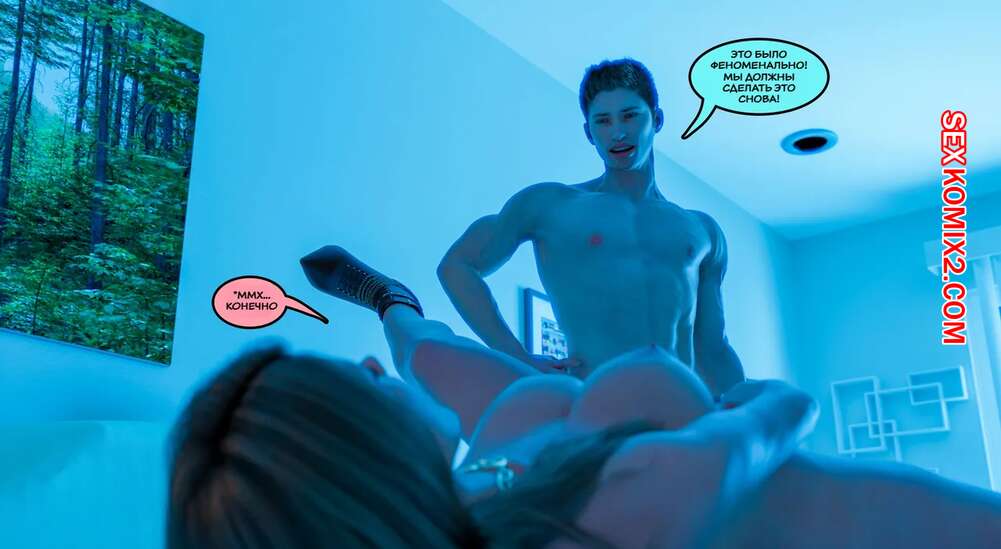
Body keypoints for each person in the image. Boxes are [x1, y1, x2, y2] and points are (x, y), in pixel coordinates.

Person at [290, 244, 1001, 548]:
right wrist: (752, 397)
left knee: (427, 353)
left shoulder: (474, 485)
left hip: (551, 448)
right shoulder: (603, 511)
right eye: (350, 389)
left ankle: (390, 302)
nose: (362, 366)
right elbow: (781, 412)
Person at [437, 58, 744, 397]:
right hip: (596, 404)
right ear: (589, 132)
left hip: (684, 409)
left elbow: (713, 350)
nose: (618, 132)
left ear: (656, 119)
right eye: (603, 121)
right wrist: (516, 356)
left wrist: (747, 410)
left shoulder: (702, 231)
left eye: (630, 116)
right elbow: (457, 265)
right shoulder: (550, 205)